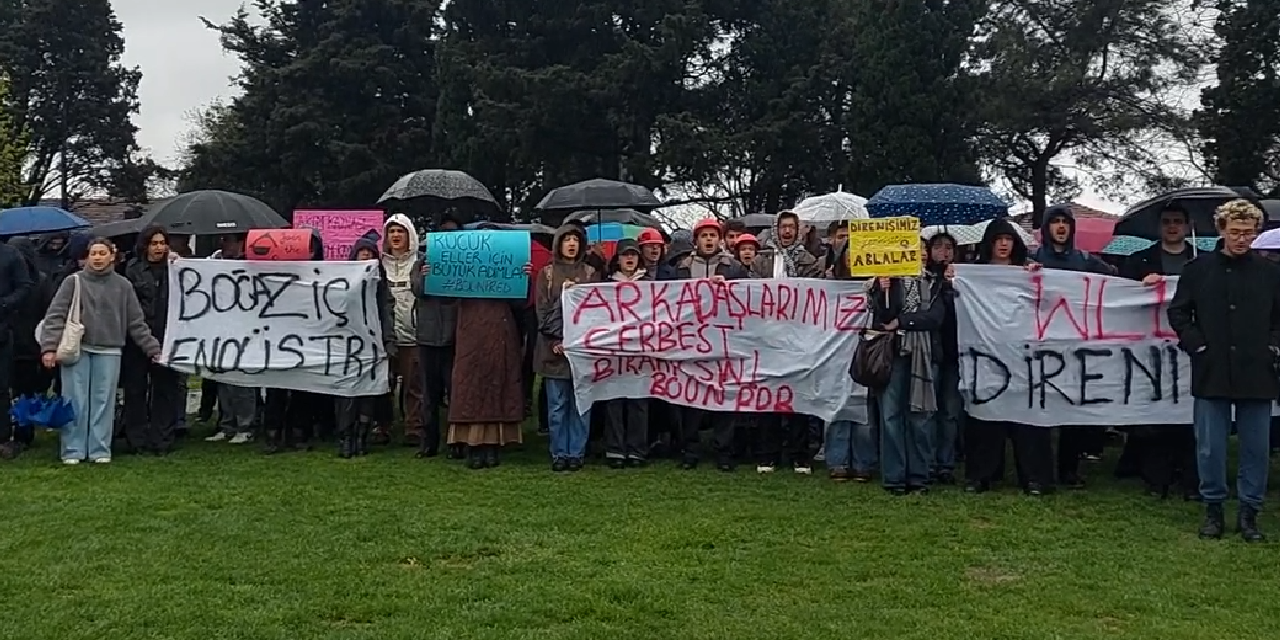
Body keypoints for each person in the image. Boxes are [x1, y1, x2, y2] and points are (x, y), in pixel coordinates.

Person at [1168, 199, 1280, 542]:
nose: (1241, 239)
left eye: (1248, 233)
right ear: (1222, 230)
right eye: (1235, 232)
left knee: (1256, 448)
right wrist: (1197, 345)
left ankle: (1250, 512)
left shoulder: (1270, 273)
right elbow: (1179, 312)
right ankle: (1213, 509)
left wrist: (1273, 346)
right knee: (1210, 447)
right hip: (1212, 369)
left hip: (1257, 371)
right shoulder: (1197, 269)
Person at [39, 238, 160, 464]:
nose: (97, 258)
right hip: (77, 349)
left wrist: (152, 348)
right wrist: (49, 348)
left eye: (102, 253)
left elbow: (136, 323)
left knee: (104, 401)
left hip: (110, 350)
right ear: (87, 256)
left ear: (112, 256)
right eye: (93, 253)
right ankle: (72, 450)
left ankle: (100, 449)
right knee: (75, 400)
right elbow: (55, 316)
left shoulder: (123, 286)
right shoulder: (73, 281)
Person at [963, 219, 1054, 495]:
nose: (1004, 244)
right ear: (989, 243)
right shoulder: (975, 272)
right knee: (985, 414)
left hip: (1023, 355)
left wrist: (1038, 279)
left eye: (1008, 239)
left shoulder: (1026, 271)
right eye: (998, 239)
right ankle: (982, 474)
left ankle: (1034, 477)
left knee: (1028, 415)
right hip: (986, 355)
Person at [423, 240, 532, 469]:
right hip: (468, 333)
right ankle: (472, 444)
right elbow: (443, 296)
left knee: (495, 385)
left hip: (499, 331)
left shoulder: (506, 269)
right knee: (469, 387)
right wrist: (430, 275)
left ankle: (492, 445)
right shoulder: (461, 270)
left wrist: (525, 279)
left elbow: (520, 302)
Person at [1031, 204, 1116, 488]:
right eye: (1055, 221)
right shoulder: (1033, 258)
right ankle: (1040, 470)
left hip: (1076, 343)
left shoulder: (1084, 259)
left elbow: (1115, 279)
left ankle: (1068, 469)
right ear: (1047, 228)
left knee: (1072, 408)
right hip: (1041, 343)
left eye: (1065, 222)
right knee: (1040, 407)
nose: (1060, 227)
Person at [1120, 204, 1200, 499]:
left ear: (1188, 226)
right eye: (1167, 222)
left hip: (1190, 345)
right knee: (1156, 413)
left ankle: (1190, 477)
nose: (1172, 226)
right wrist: (1139, 286)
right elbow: (1121, 297)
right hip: (1149, 348)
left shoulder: (1202, 261)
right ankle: (1156, 478)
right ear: (1159, 227)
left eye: (1178, 221)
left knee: (1190, 412)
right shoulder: (1139, 260)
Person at [866, 241, 951, 495]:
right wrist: (882, 291)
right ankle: (894, 478)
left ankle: (919, 476)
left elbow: (935, 318)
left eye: (924, 250)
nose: (921, 254)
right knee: (891, 416)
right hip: (893, 354)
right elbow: (883, 318)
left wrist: (903, 321)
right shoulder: (889, 280)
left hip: (925, 354)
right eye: (916, 250)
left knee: (921, 417)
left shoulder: (936, 282)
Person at [664, 218, 747, 471]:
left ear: (719, 240)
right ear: (696, 240)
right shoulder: (682, 268)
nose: (709, 240)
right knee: (691, 397)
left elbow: (746, 299)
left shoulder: (734, 267)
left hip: (724, 340)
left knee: (724, 396)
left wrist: (729, 288)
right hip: (692, 341)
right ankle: (690, 449)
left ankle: (724, 451)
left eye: (713, 235)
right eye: (704, 236)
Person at [537, 224, 598, 472]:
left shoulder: (590, 273)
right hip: (555, 351)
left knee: (581, 405)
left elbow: (597, 312)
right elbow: (542, 311)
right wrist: (555, 341)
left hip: (581, 351)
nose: (571, 244)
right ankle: (559, 452)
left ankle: (576, 452)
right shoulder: (547, 274)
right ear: (559, 244)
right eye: (567, 239)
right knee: (557, 406)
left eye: (575, 240)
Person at [121, 226, 184, 455]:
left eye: (162, 243)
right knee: (136, 390)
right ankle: (136, 439)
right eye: (154, 243)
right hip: (137, 338)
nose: (159, 248)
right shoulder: (133, 269)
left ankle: (162, 439)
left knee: (166, 389)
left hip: (167, 336)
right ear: (145, 245)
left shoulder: (175, 267)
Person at [334, 233, 396, 458]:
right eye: (362, 253)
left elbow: (385, 313)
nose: (366, 257)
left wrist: (388, 342)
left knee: (368, 394)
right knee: (347, 395)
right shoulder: (341, 283)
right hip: (346, 346)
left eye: (370, 254)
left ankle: (362, 436)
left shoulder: (380, 286)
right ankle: (346, 437)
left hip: (372, 345)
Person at [409, 225, 459, 459]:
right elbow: (417, 290)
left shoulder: (460, 266)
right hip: (427, 338)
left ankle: (455, 441)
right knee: (429, 394)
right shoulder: (420, 264)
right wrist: (425, 276)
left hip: (452, 337)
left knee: (454, 392)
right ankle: (428, 442)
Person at [204, 234, 258, 445]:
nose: (224, 244)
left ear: (241, 243)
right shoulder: (215, 261)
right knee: (223, 380)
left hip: (244, 330)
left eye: (229, 240)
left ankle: (245, 426)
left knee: (242, 382)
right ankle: (227, 424)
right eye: (223, 240)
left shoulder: (251, 264)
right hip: (222, 328)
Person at [601, 239, 650, 468]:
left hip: (641, 351)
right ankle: (615, 449)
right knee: (614, 400)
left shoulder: (650, 284)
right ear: (617, 260)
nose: (629, 258)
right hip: (615, 351)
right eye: (625, 255)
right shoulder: (606, 285)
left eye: (633, 254)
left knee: (638, 402)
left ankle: (637, 450)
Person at [380, 214, 425, 446]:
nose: (396, 235)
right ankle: (381, 426)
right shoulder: (377, 264)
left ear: (410, 235)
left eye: (401, 231)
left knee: (413, 385)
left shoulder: (420, 263)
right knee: (382, 384)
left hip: (412, 334)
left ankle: (414, 427)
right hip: (385, 336)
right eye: (392, 231)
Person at [6, 238, 54, 448]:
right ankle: (22, 431)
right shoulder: (41, 280)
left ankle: (21, 431)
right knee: (23, 390)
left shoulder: (31, 281)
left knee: (20, 390)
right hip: (27, 342)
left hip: (24, 342)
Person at [925, 231, 962, 485]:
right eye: (938, 247)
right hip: (930, 351)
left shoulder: (963, 277)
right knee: (928, 410)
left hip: (955, 352)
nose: (944, 252)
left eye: (948, 247)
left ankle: (945, 463)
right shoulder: (924, 278)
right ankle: (927, 462)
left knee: (949, 412)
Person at [0, 238, 33, 459]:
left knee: (1, 388)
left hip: (2, 329)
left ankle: (2, 438)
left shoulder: (10, 254)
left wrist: (5, 304)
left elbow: (25, 286)